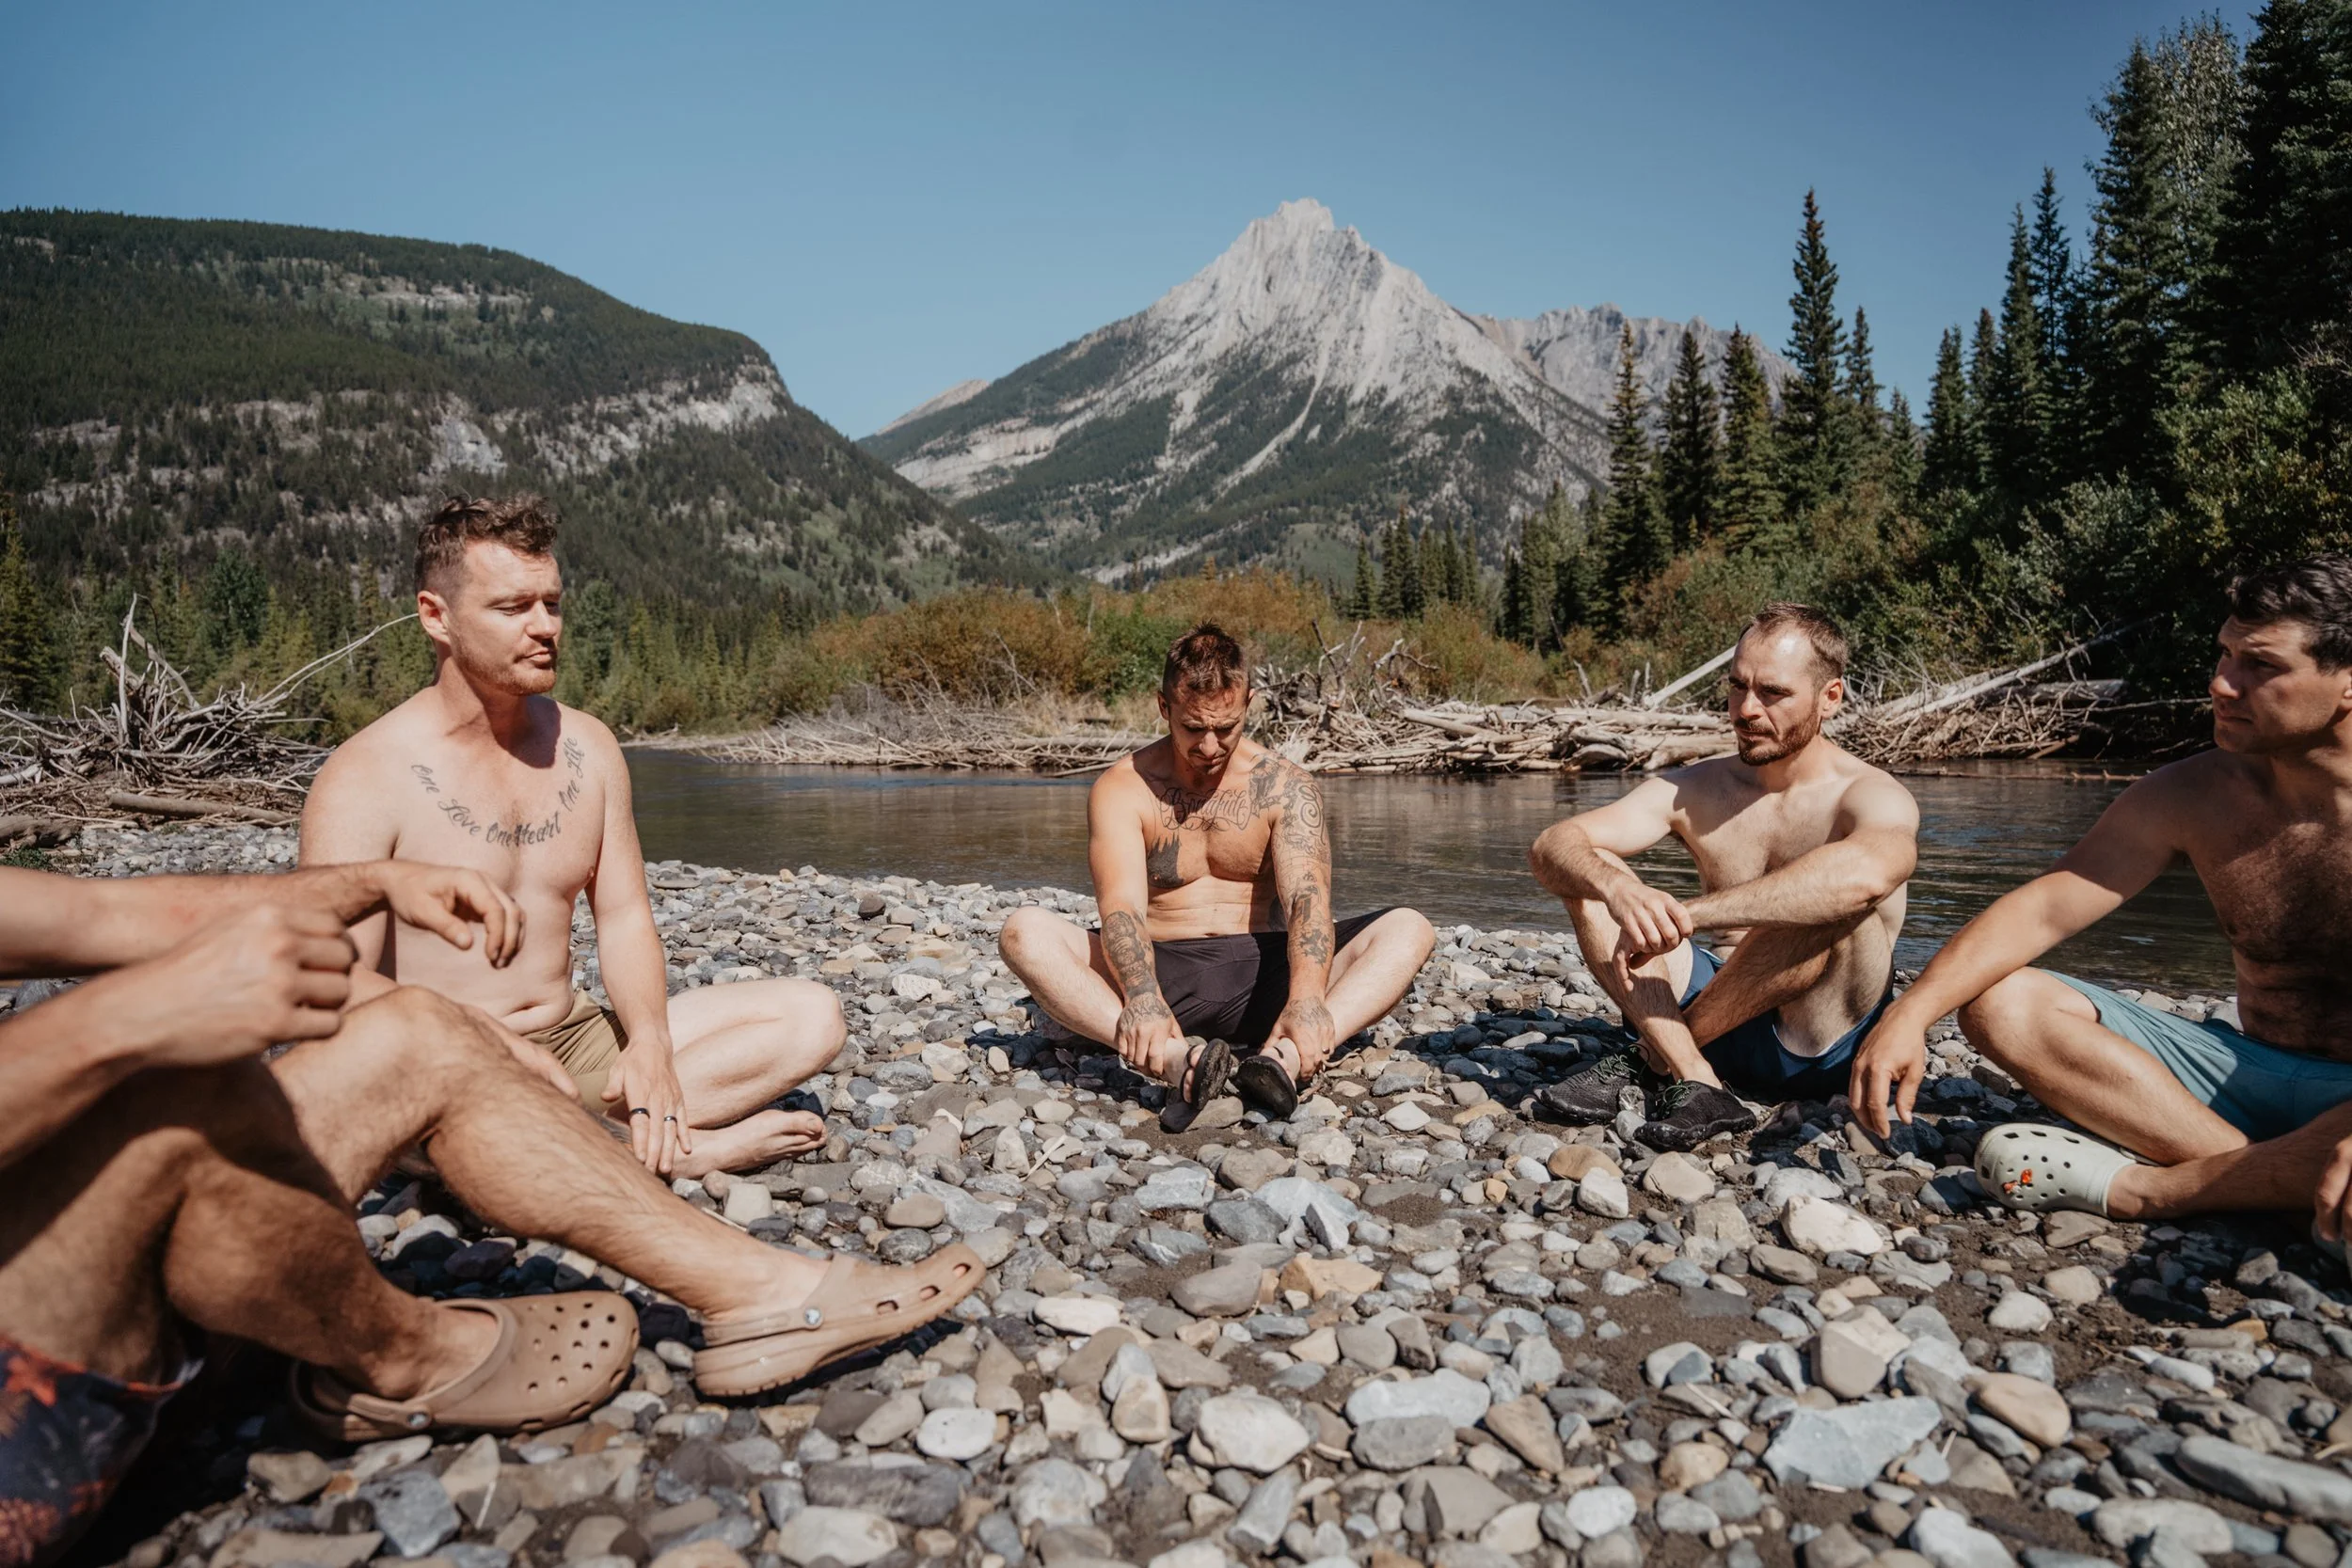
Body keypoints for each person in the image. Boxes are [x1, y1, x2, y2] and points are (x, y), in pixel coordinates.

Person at [0, 858, 979, 1566]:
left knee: (418, 1033)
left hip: (84, 1270)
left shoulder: (582, 752)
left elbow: (113, 912)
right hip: (26, 1422)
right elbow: (140, 1001)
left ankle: (760, 1292)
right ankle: (403, 1352)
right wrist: (121, 1019)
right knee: (175, 1089)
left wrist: (377, 886)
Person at [302, 494, 846, 1178]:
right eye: (512, 608)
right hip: (442, 1057)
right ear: (436, 616)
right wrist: (480, 1043)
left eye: (552, 604)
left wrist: (649, 1042)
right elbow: (333, 985)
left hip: (576, 1037)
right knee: (413, 1108)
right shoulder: (363, 777)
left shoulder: (588, 747)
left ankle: (605, 1137)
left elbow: (623, 917)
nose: (544, 627)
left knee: (812, 1016)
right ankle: (668, 1150)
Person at [1851, 557, 2352, 1235]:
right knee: (2004, 1003)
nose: (2221, 682)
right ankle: (2266, 1178)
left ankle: (2157, 1191)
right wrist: (1911, 1012)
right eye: (2225, 654)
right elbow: (2047, 905)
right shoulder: (2195, 793)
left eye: (2260, 665)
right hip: (2240, 1073)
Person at [999, 625, 1435, 1121]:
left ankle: (1284, 1059)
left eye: (1226, 728)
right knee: (1023, 932)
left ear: (1249, 704)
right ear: (1164, 707)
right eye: (1193, 728)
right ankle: (1176, 1061)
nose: (1209, 746)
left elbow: (1307, 901)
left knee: (1410, 928)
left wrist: (1307, 998)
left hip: (1270, 974)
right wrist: (1142, 996)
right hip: (1164, 974)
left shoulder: (1285, 786)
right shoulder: (1123, 788)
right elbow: (1121, 908)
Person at [1526, 603, 1919, 1150]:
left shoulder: (1870, 794)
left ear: (1830, 697)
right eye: (1737, 686)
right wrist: (1620, 891)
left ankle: (1650, 1057)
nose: (1746, 710)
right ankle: (1694, 1075)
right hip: (1711, 1016)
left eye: (1773, 693)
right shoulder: (1698, 787)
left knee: (1832, 900)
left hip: (1816, 1036)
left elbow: (1867, 876)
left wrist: (1686, 915)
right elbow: (1552, 845)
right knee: (1591, 874)